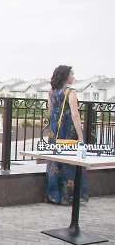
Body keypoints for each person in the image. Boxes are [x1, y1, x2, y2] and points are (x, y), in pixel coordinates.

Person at [45, 65, 88, 205]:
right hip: (68, 131)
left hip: (55, 131)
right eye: (71, 74)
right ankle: (67, 196)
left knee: (55, 161)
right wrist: (80, 136)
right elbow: (75, 115)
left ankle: (53, 195)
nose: (73, 77)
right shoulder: (70, 92)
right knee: (69, 161)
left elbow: (50, 112)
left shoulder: (51, 92)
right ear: (65, 76)